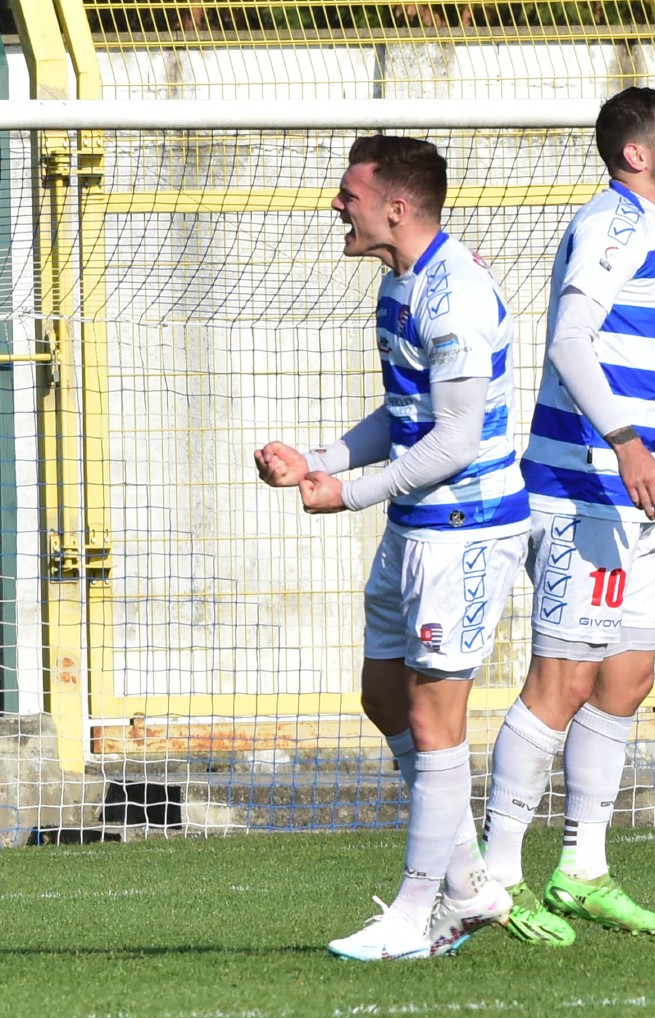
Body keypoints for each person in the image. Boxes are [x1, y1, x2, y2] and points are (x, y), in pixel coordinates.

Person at [255, 135, 530, 961]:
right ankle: (473, 887)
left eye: (349, 193)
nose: (336, 205)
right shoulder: (399, 288)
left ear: (395, 208)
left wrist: (349, 494)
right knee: (385, 699)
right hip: (412, 530)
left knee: (432, 717)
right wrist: (322, 461)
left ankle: (415, 916)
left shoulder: (453, 295)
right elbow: (402, 415)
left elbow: (454, 441)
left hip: (466, 533)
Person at [481, 87, 655, 946]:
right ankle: (495, 879)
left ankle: (581, 871)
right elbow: (569, 341)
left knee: (626, 679)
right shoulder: (613, 226)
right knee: (562, 683)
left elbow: (622, 359)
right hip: (582, 486)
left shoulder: (651, 230)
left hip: (622, 485)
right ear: (636, 153)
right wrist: (627, 443)